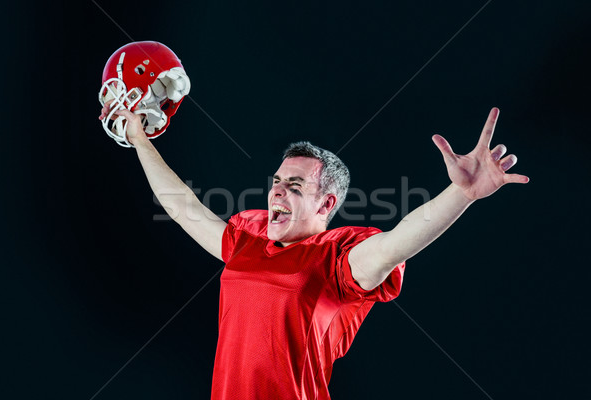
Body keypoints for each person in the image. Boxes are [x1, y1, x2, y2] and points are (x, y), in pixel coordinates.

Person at [98, 105, 528, 399]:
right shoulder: (248, 239)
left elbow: (399, 240)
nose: (277, 193)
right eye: (277, 182)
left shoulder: (337, 258)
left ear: (326, 205)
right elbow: (180, 207)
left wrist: (461, 194)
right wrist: (137, 137)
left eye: (296, 186)